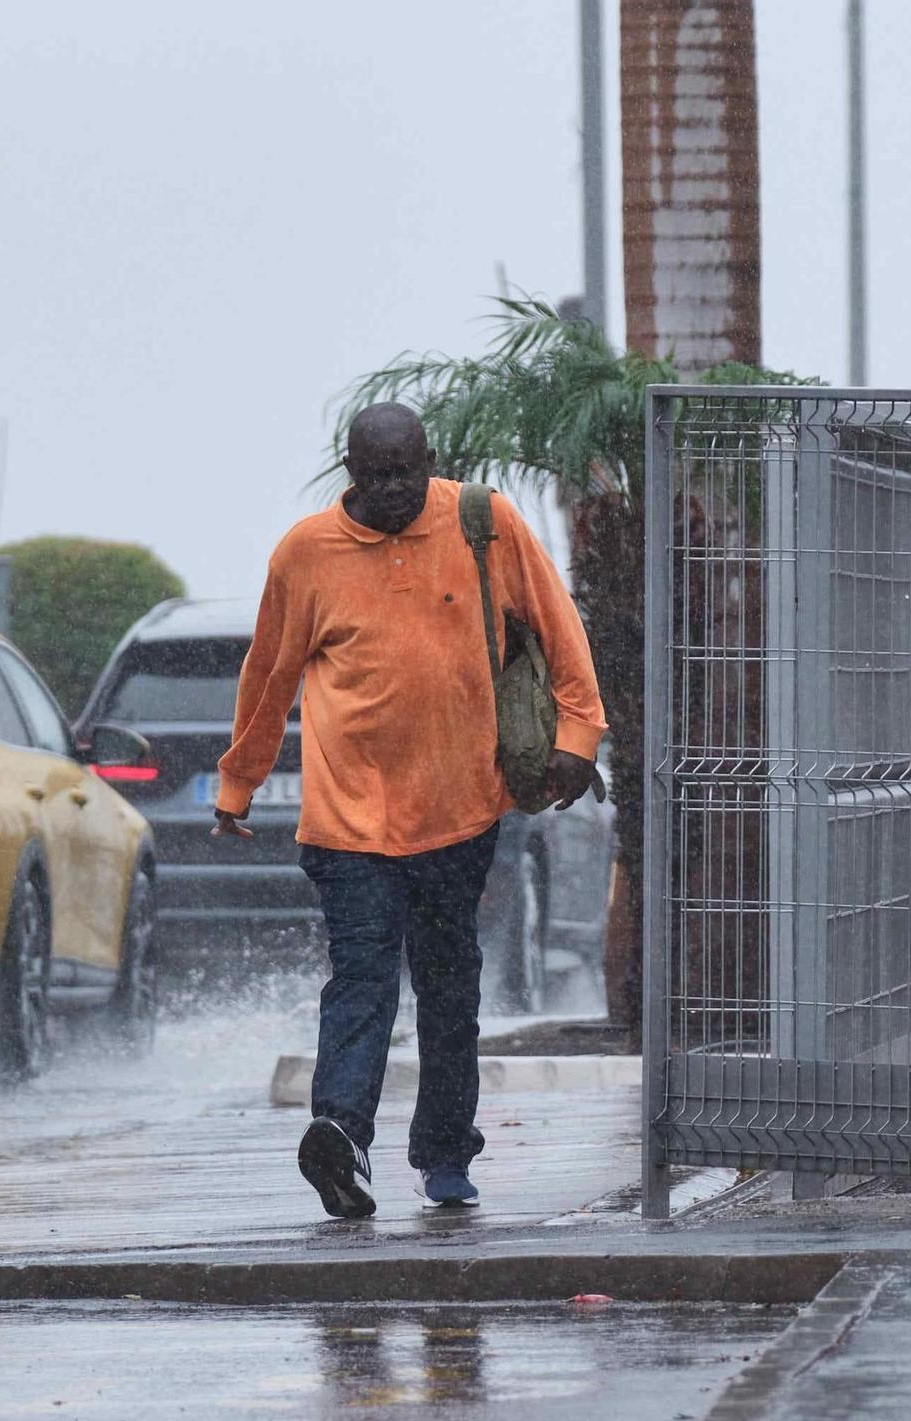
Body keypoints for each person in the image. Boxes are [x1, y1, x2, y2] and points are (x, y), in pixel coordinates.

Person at [214, 402, 605, 1217]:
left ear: (429, 460)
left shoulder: (482, 522)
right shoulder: (306, 554)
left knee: (448, 982)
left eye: (407, 470)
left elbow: (558, 628)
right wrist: (238, 783)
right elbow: (268, 677)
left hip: (459, 811)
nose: (393, 489)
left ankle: (445, 1153)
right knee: (361, 977)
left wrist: (579, 734)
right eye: (376, 473)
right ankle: (341, 1134)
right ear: (349, 470)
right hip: (347, 820)